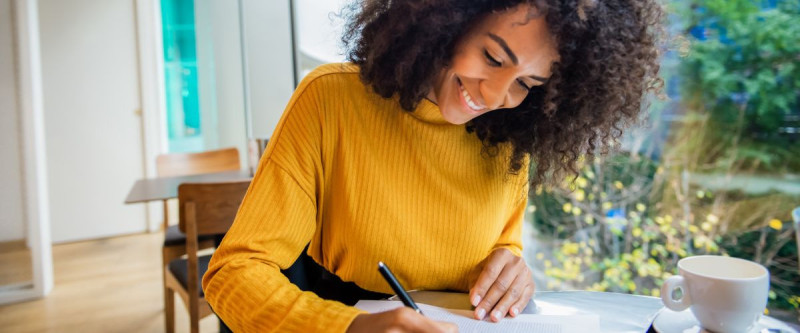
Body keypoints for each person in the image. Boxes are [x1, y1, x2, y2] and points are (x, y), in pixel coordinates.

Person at [202, 0, 663, 332]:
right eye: (492, 57)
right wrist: (352, 328)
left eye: (526, 82)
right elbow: (235, 273)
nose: (494, 96)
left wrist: (512, 267)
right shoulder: (330, 101)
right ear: (446, 19)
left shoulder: (510, 134)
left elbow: (504, 240)